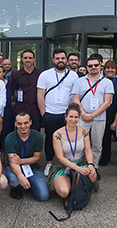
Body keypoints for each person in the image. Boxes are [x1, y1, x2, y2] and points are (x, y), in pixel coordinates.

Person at [37, 49, 79, 177]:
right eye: (57, 58)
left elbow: (75, 95)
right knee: (50, 138)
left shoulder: (73, 75)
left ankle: (66, 163)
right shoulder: (45, 75)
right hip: (50, 112)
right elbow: (40, 95)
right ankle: (49, 162)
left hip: (66, 114)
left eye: (62, 58)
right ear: (53, 60)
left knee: (67, 139)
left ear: (66, 60)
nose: (60, 60)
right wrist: (43, 113)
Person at [47, 104, 99, 200]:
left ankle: (75, 182)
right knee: (64, 192)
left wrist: (91, 165)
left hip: (80, 161)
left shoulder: (84, 131)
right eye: (71, 116)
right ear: (65, 117)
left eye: (76, 117)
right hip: (63, 165)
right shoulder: (57, 134)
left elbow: (88, 150)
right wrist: (78, 169)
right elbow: (60, 157)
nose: (73, 120)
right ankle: (70, 181)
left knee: (93, 176)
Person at [72, 55, 114, 171]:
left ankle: (93, 167)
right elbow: (76, 100)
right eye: (90, 66)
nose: (93, 67)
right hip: (82, 117)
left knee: (97, 145)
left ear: (100, 65)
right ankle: (80, 167)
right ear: (87, 67)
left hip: (99, 119)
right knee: (80, 144)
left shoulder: (107, 82)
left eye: (96, 65)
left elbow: (107, 102)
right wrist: (84, 114)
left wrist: (92, 115)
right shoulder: (79, 81)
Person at [5, 112, 48, 201]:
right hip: (14, 168)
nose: (23, 126)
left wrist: (21, 161)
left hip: (31, 167)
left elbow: (37, 158)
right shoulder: (10, 138)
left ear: (30, 122)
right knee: (14, 179)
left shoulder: (38, 136)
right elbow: (13, 162)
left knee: (44, 196)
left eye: (26, 123)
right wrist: (20, 176)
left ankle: (29, 186)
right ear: (15, 124)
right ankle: (16, 188)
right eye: (19, 124)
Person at [11, 50, 42, 132]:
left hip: (36, 110)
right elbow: (14, 90)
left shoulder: (40, 74)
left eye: (30, 58)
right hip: (21, 109)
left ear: (34, 59)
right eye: (25, 58)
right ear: (22, 59)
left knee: (36, 134)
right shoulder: (16, 75)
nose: (28, 60)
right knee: (21, 133)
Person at [101, 60, 117, 167]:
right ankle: (105, 157)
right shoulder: (100, 80)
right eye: (107, 68)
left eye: (112, 68)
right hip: (104, 111)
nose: (110, 70)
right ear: (104, 70)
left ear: (116, 69)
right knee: (105, 136)